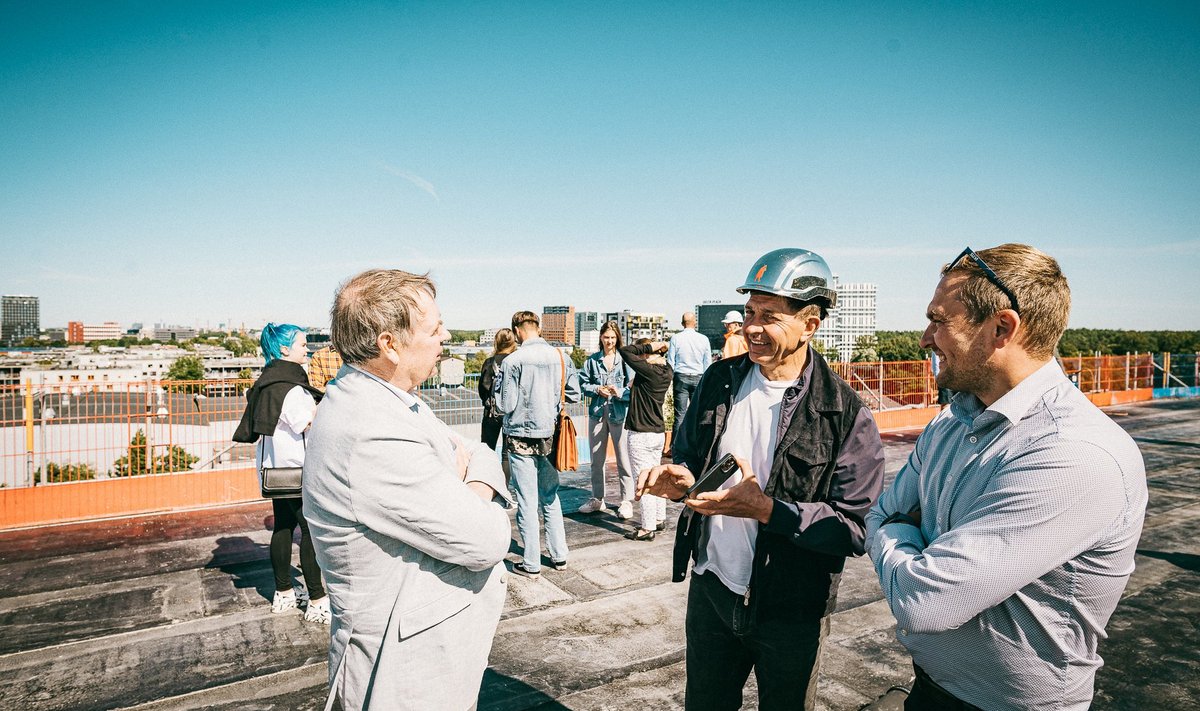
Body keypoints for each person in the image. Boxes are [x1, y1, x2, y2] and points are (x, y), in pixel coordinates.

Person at [865, 244, 1147, 711]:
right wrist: (903, 535)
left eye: (939, 320)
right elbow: (882, 511)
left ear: (1002, 328)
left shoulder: (1073, 452)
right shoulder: (951, 421)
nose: (924, 338)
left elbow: (924, 602)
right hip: (928, 689)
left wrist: (896, 530)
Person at [638, 248, 885, 711]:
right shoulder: (720, 380)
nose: (751, 327)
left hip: (790, 609)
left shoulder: (844, 413)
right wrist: (681, 477)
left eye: (768, 316)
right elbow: (692, 456)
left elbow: (854, 526)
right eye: (749, 312)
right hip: (712, 589)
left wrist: (767, 510)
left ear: (810, 325)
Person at [302, 269, 513, 711]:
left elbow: (476, 451)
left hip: (422, 660)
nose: (446, 335)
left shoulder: (391, 399)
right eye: (435, 328)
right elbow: (486, 539)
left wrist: (468, 477)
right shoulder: (370, 429)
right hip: (402, 676)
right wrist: (474, 482)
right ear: (389, 345)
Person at [232, 323, 330, 624]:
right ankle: (317, 600)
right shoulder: (293, 389)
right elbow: (306, 423)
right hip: (298, 469)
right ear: (285, 349)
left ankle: (284, 594)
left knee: (283, 528)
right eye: (302, 344)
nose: (307, 349)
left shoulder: (265, 384)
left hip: (274, 470)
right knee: (311, 532)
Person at [494, 310, 581, 578]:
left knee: (527, 501)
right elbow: (575, 394)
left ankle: (531, 562)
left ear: (518, 330)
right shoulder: (560, 356)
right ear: (538, 328)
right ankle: (559, 555)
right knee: (550, 497)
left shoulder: (513, 360)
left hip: (520, 438)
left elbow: (504, 405)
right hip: (550, 437)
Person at [577, 321, 635, 518]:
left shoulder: (625, 360)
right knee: (596, 459)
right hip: (597, 413)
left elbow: (634, 387)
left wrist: (619, 392)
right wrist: (596, 389)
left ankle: (626, 501)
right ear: (601, 338)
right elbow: (582, 383)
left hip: (619, 414)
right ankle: (597, 499)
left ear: (617, 338)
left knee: (623, 459)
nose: (609, 341)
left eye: (613, 337)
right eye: (606, 337)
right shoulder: (592, 360)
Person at [619, 338, 673, 541]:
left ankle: (647, 528)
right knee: (656, 478)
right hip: (657, 433)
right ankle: (659, 519)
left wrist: (650, 346)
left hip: (640, 434)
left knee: (644, 481)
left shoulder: (648, 372)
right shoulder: (667, 371)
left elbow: (625, 351)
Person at [666, 312, 712, 449]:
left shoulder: (676, 338)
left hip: (681, 377)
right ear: (695, 322)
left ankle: (675, 446)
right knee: (698, 412)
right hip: (698, 376)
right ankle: (696, 445)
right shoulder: (704, 339)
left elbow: (670, 362)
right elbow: (708, 362)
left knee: (680, 414)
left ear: (682, 323)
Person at [479, 328, 517, 450]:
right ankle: (506, 470)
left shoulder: (489, 362)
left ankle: (489, 469)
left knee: (487, 449)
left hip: (491, 412)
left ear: (497, 342)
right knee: (508, 451)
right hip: (512, 413)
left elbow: (483, 388)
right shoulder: (516, 361)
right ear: (513, 342)